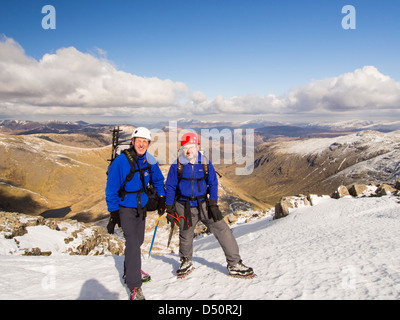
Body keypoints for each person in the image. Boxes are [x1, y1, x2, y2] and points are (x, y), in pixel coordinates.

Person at [165, 132, 255, 279]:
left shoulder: (205, 162)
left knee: (222, 229)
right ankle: (186, 261)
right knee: (186, 234)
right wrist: (169, 207)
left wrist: (213, 203)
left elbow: (213, 183)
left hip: (204, 205)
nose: (188, 150)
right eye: (185, 147)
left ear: (197, 147)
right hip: (184, 205)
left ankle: (234, 263)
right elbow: (170, 186)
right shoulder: (177, 165)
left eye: (191, 147)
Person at [106, 127, 166, 300]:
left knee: (138, 241)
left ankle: (130, 268)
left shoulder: (149, 159)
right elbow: (111, 189)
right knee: (132, 241)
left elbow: (158, 179)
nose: (142, 144)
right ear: (132, 142)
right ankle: (134, 285)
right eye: (138, 140)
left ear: (148, 144)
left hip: (142, 206)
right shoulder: (120, 162)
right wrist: (114, 212)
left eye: (145, 141)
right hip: (125, 207)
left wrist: (161, 197)